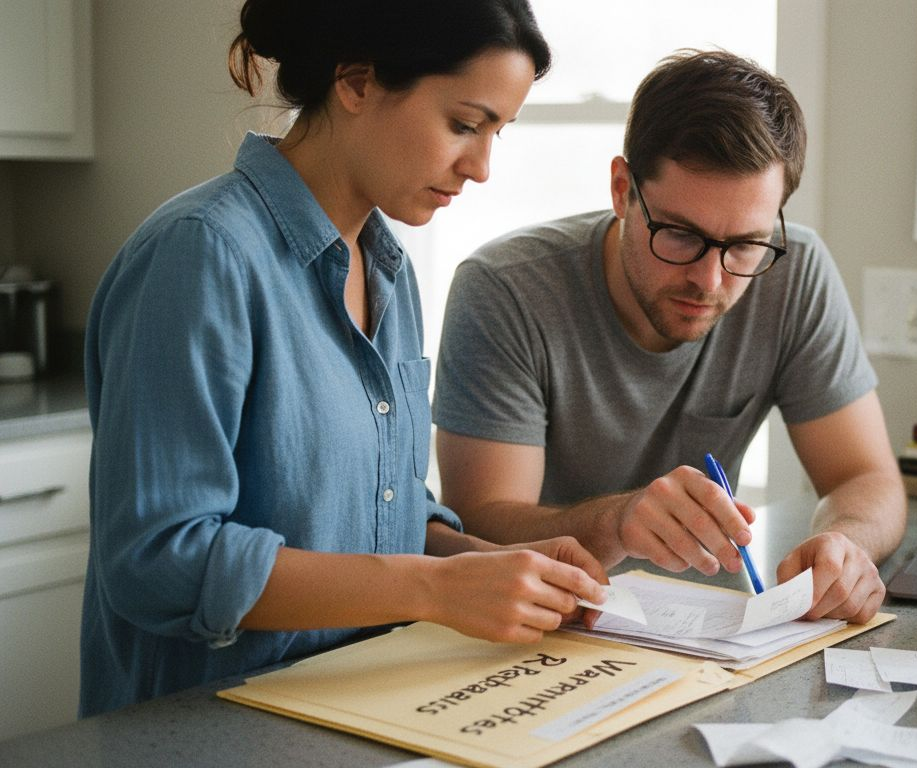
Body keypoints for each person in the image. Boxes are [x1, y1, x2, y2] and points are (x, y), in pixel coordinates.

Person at [79, 0, 607, 718]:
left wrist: (489, 566)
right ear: (356, 83)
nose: (481, 167)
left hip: (358, 711)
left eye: (497, 133)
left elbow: (380, 509)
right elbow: (159, 563)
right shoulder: (202, 255)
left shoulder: (390, 270)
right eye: (463, 124)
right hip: (206, 729)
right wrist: (433, 589)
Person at [432, 49, 906, 625]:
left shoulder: (795, 270)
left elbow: (866, 477)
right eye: (681, 236)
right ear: (621, 189)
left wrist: (846, 544)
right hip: (545, 629)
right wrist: (616, 521)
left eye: (744, 245)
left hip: (715, 634)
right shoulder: (506, 291)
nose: (710, 281)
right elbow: (479, 522)